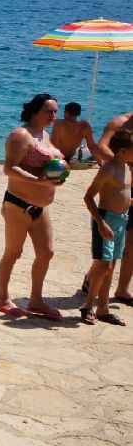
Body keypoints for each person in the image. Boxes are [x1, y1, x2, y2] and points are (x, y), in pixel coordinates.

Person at [0, 94, 65, 320]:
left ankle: (36, 300)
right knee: (13, 253)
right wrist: (39, 181)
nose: (54, 115)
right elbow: (9, 168)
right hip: (18, 204)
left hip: (41, 207)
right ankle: (2, 298)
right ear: (35, 111)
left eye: (55, 111)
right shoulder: (21, 135)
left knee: (46, 252)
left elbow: (47, 166)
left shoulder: (45, 135)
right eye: (49, 111)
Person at [80, 129, 132, 325]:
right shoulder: (108, 168)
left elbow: (123, 194)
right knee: (104, 266)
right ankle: (87, 305)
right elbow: (88, 196)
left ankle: (103, 309)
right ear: (123, 150)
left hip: (122, 220)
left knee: (111, 266)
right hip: (106, 219)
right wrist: (101, 223)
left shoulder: (127, 167)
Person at [93, 111, 133, 305]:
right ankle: (94, 292)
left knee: (130, 244)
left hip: (128, 196)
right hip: (118, 189)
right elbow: (101, 147)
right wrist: (124, 164)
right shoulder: (120, 122)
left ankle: (123, 289)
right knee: (107, 257)